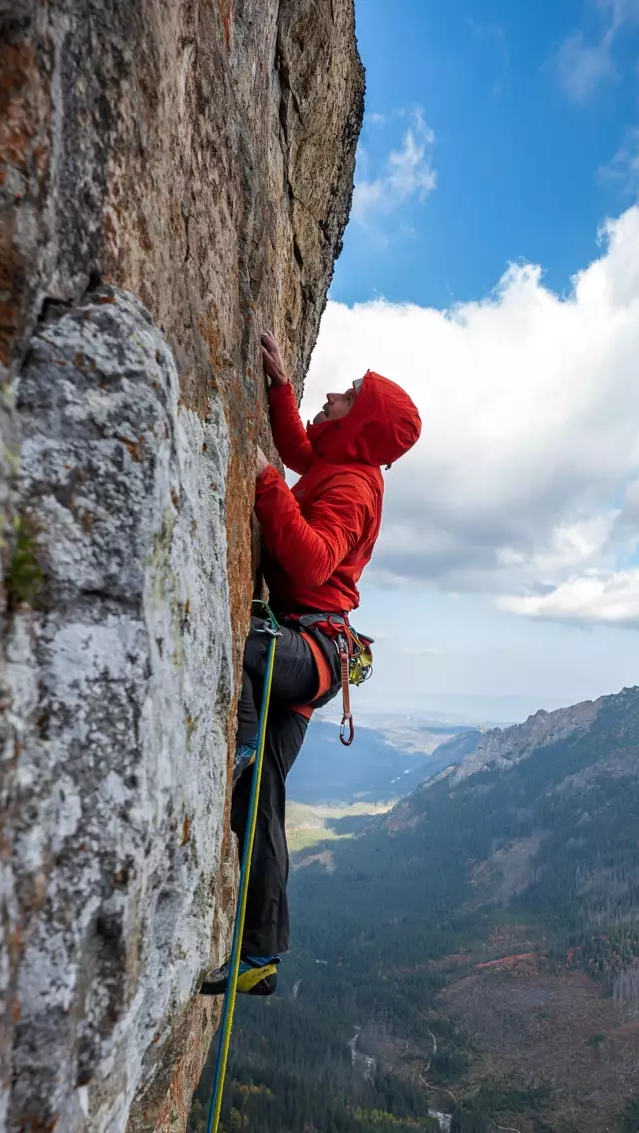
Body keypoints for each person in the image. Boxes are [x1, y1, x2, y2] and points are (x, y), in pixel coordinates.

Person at [201, 329, 422, 997]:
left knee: (238, 645)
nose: (331, 394)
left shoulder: (355, 488)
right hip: (310, 653)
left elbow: (310, 560)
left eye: (347, 396)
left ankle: (235, 747)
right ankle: (260, 955)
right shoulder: (339, 462)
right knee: (259, 798)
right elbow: (301, 447)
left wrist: (267, 487)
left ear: (361, 426)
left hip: (309, 651)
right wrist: (276, 387)